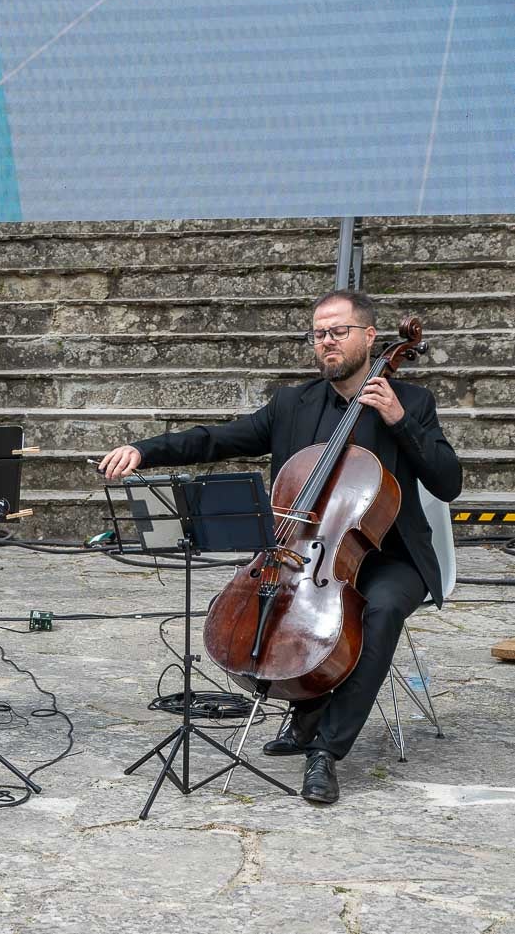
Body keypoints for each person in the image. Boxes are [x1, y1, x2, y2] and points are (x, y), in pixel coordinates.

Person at [97, 289, 462, 804]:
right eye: (318, 334)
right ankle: (307, 707)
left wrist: (401, 423)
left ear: (369, 337)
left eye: (337, 331)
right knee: (274, 614)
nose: (327, 342)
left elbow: (448, 483)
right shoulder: (294, 403)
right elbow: (216, 439)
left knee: (379, 611)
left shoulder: (413, 403)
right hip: (308, 554)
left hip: (391, 556)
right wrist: (143, 450)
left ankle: (327, 751)